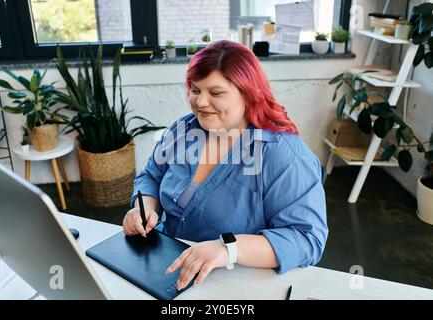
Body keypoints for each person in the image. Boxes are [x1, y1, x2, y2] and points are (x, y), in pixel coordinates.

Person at [123, 40, 328, 291]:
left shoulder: (283, 155)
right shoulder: (183, 129)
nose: (200, 102)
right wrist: (143, 208)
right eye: (195, 90)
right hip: (168, 265)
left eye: (216, 93)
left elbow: (307, 239)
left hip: (234, 279)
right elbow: (151, 176)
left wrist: (228, 248)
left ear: (248, 93)